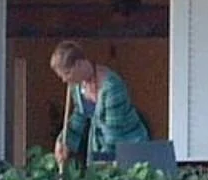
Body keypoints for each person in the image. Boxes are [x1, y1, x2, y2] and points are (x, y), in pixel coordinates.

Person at [51, 40, 150, 171]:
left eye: (67, 73)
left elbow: (113, 136)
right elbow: (79, 116)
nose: (65, 80)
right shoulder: (77, 86)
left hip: (130, 149)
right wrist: (64, 142)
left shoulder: (112, 87)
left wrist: (99, 167)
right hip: (101, 150)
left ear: (79, 64)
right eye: (61, 76)